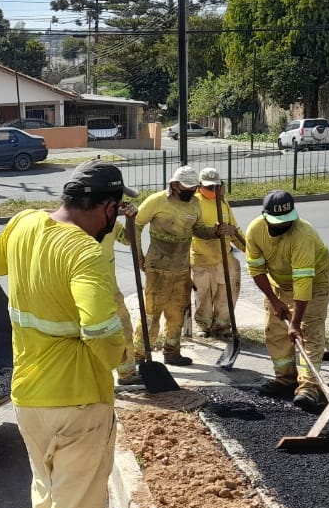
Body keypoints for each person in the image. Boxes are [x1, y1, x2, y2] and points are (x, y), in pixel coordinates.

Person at [0, 160, 129, 508]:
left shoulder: (25, 223)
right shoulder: (83, 254)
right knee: (79, 503)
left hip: (28, 394)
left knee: (47, 488)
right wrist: (123, 357)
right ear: (107, 208)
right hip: (78, 399)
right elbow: (101, 329)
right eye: (115, 212)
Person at [127, 165, 233, 371]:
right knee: (151, 314)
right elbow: (136, 225)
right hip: (158, 268)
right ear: (174, 185)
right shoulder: (157, 201)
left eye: (194, 188)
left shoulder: (194, 204)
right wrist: (139, 255)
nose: (191, 191)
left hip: (182, 269)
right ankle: (139, 355)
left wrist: (215, 231)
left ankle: (172, 351)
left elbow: (198, 229)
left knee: (177, 312)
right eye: (187, 187)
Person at [244, 190, 329, 411]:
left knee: (308, 333)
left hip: (314, 284)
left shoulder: (303, 235)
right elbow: (256, 269)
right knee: (274, 330)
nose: (283, 226)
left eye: (287, 221)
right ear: (264, 216)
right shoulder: (255, 230)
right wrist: (275, 301)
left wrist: (295, 323)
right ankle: (285, 378)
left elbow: (303, 283)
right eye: (277, 222)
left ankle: (309, 387)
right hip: (278, 284)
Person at [191, 167, 245, 338]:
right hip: (201, 257)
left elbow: (235, 228)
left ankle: (222, 325)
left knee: (227, 291)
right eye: (209, 187)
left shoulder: (223, 203)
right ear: (199, 186)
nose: (213, 191)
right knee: (204, 294)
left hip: (224, 255)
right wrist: (213, 231)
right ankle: (204, 325)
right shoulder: (194, 203)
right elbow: (191, 229)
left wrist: (239, 238)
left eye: (216, 186)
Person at [103, 188, 141, 386]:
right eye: (117, 199)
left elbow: (127, 239)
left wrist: (130, 218)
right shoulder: (76, 226)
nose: (121, 202)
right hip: (85, 290)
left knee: (123, 328)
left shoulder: (110, 223)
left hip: (110, 288)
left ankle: (127, 373)